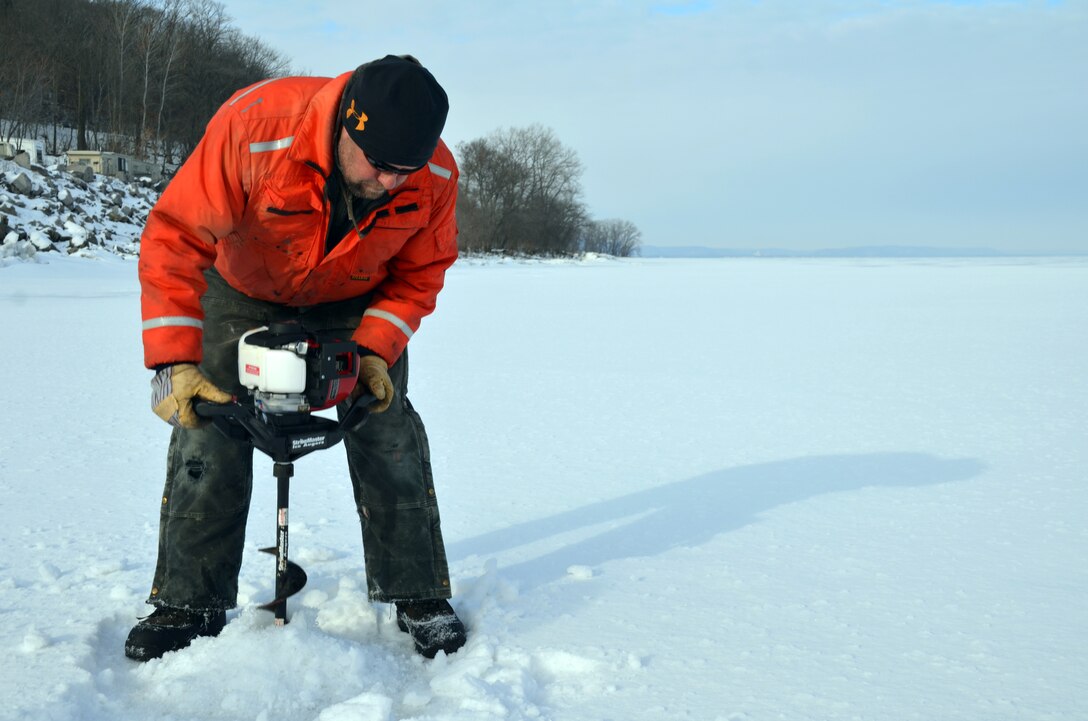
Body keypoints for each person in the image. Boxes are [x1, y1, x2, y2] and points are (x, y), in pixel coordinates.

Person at [126, 55, 466, 661]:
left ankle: (418, 592)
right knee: (208, 423)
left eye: (404, 173)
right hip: (243, 289)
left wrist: (375, 352)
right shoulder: (257, 128)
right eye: (381, 166)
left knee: (387, 426)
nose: (391, 183)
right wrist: (175, 363)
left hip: (354, 299)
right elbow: (175, 236)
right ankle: (188, 601)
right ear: (347, 128)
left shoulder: (434, 176)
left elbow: (422, 273)